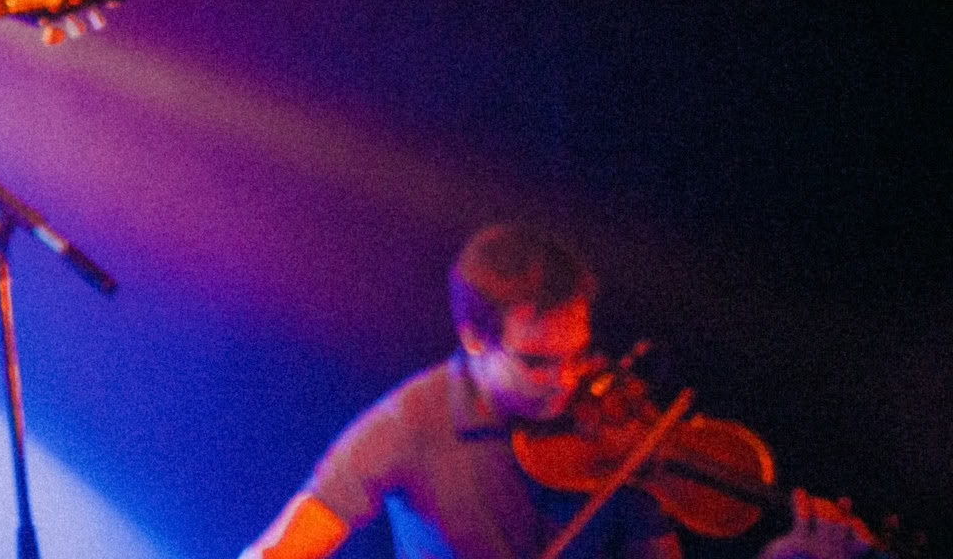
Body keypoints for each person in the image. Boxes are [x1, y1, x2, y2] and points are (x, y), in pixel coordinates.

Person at [241, 224, 878, 559]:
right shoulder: (411, 423)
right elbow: (284, 549)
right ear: (475, 339)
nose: (568, 381)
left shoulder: (618, 425)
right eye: (540, 362)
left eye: (578, 355)